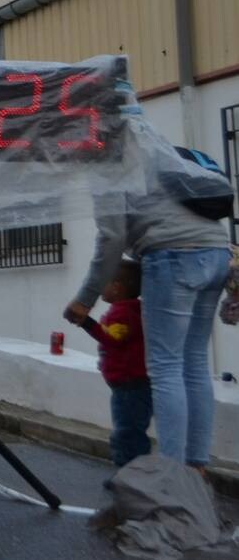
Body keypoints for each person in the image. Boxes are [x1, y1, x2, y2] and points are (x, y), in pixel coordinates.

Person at [64, 129, 230, 473]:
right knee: (194, 362)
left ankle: (172, 474)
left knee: (166, 367)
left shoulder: (108, 166)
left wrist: (85, 299)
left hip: (172, 256)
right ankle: (195, 467)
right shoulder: (157, 148)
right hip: (217, 253)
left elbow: (112, 238)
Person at [68, 259, 151, 469]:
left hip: (129, 385)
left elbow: (112, 338)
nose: (100, 287)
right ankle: (135, 473)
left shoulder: (124, 312)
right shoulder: (130, 309)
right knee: (132, 430)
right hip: (128, 384)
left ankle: (129, 475)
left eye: (104, 282)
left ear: (117, 287)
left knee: (126, 432)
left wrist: (87, 322)